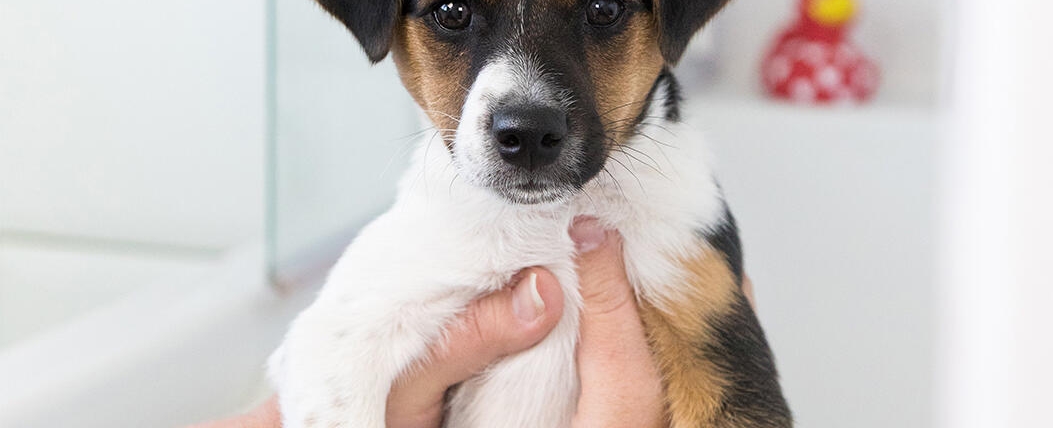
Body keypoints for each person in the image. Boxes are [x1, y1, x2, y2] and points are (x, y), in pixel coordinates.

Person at [193, 217, 755, 428]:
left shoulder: (683, 220)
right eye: (453, 13)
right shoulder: (436, 224)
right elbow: (322, 353)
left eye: (603, 11)